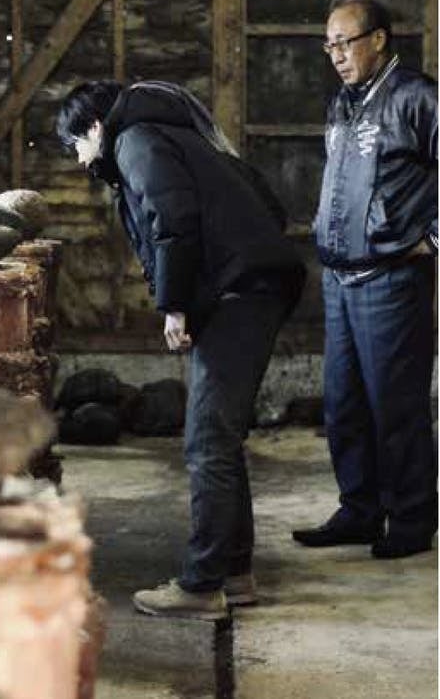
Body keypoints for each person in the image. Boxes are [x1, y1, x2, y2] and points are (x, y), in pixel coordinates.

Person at [56, 80, 306, 620]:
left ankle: (201, 586)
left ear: (95, 126)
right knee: (220, 436)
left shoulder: (135, 139)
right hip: (250, 287)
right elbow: (267, 204)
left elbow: (173, 219)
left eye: (76, 145)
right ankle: (234, 573)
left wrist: (174, 305)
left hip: (241, 292)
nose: (78, 160)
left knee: (206, 440)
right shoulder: (179, 133)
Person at [291, 0, 437, 559]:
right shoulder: (344, 102)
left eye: (345, 42)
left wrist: (433, 240)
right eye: (329, 45)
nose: (336, 55)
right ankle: (360, 510)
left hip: (391, 280)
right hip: (340, 279)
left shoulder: (417, 97)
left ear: (378, 39)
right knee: (344, 404)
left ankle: (412, 519)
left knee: (395, 407)